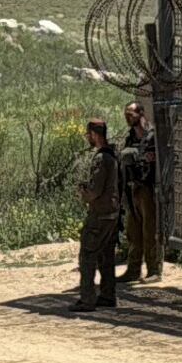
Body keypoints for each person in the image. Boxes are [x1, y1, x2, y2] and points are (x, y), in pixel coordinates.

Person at [74, 117, 122, 312]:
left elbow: (95, 190)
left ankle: (87, 299)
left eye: (89, 134)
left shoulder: (102, 159)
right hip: (111, 214)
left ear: (94, 134)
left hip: (100, 215)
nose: (88, 138)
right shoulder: (112, 155)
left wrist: (83, 193)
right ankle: (108, 295)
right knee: (106, 256)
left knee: (87, 255)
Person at [119, 100, 163, 283]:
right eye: (126, 114)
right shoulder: (130, 136)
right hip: (132, 188)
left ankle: (154, 270)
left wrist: (138, 156)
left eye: (131, 114)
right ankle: (133, 269)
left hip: (148, 188)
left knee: (149, 230)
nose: (128, 117)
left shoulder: (151, 136)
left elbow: (155, 161)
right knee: (133, 231)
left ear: (141, 114)